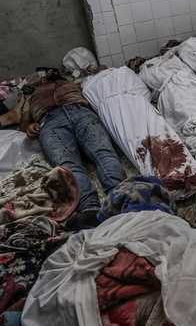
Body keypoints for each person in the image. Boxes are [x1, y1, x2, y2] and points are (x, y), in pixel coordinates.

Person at [20, 68, 125, 228]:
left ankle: (120, 200)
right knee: (66, 164)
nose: (48, 74)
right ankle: (89, 208)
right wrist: (30, 126)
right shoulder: (32, 96)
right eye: (44, 73)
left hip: (82, 112)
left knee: (103, 153)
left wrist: (95, 69)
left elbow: (103, 73)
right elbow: (24, 122)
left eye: (50, 71)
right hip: (48, 121)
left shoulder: (75, 83)